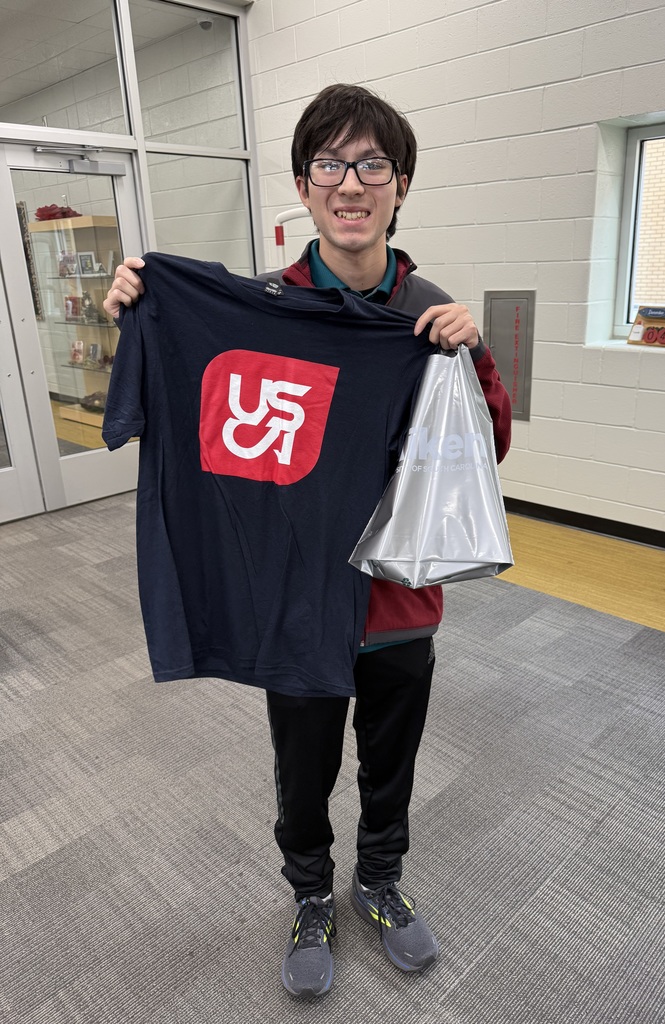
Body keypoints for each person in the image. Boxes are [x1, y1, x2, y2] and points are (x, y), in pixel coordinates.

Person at [104, 83, 512, 999]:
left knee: (390, 757)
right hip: (289, 598)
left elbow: (484, 456)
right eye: (331, 164)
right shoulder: (256, 309)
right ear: (303, 184)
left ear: (400, 186)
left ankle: (380, 881)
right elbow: (198, 421)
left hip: (397, 602)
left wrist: (473, 358)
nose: (351, 182)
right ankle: (309, 894)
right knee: (303, 763)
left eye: (373, 165)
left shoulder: (433, 313)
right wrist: (143, 308)